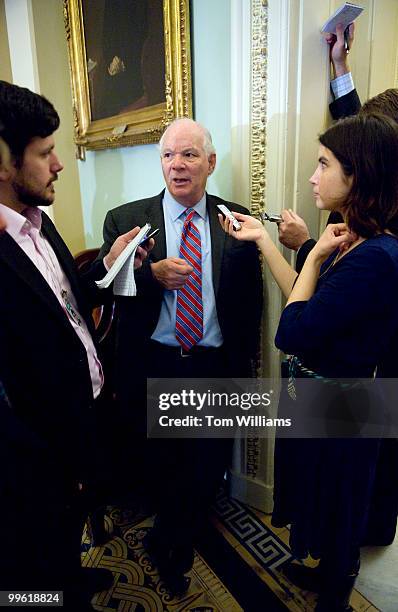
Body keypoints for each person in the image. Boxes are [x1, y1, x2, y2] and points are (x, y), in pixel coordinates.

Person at [220, 113, 398, 611]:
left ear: (357, 173)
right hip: (323, 395)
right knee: (322, 497)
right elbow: (306, 304)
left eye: (323, 164)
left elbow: (290, 331)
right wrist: (264, 241)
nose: (313, 177)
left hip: (348, 403)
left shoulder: (373, 257)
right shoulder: (353, 238)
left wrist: (314, 256)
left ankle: (335, 596)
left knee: (341, 506)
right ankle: (328, 575)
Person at [92, 117, 263, 592]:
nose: (177, 165)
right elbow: (105, 292)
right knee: (161, 467)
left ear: (209, 163)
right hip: (154, 366)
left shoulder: (236, 219)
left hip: (213, 367)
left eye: (188, 155)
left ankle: (181, 537)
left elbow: (250, 301)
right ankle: (171, 545)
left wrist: (243, 369)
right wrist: (150, 277)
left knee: (206, 468)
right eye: (168, 155)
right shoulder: (126, 220)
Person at [0, 81, 151, 610]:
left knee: (65, 531)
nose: (58, 164)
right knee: (26, 564)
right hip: (32, 447)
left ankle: (68, 580)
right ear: (3, 161)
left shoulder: (38, 224)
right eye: (44, 153)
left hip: (79, 416)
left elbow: (69, 300)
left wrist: (108, 265)